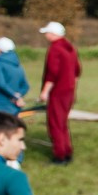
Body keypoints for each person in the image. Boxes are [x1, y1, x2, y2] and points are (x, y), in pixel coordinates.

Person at [39, 21, 79, 165]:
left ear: (53, 34)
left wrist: (44, 92)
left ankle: (60, 155)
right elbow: (77, 71)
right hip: (69, 91)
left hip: (58, 92)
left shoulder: (55, 49)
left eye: (47, 33)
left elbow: (52, 74)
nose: (46, 36)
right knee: (62, 123)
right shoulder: (70, 48)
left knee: (55, 123)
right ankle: (67, 151)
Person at [0, 36, 31, 118]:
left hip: (0, 104)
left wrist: (14, 95)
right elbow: (25, 86)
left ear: (0, 50)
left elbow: (1, 84)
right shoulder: (17, 64)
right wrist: (18, 96)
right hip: (15, 106)